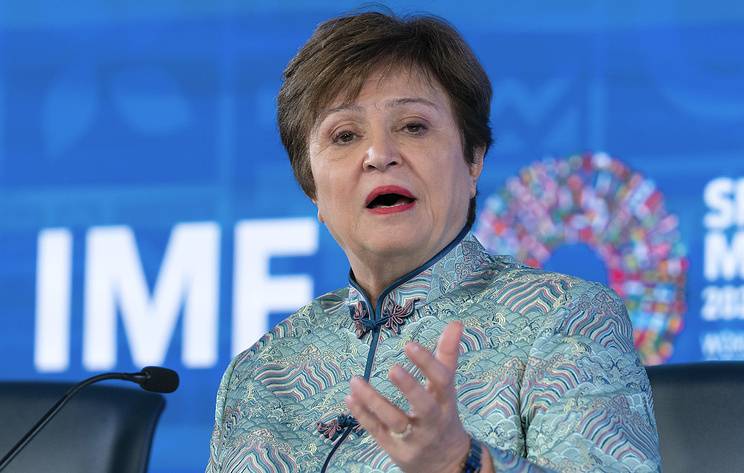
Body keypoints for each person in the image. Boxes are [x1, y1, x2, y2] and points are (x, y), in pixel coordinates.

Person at [206, 11, 661, 473]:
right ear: (313, 191)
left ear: (473, 160)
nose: (379, 155)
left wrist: (460, 462)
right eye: (344, 135)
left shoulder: (567, 318)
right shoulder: (260, 374)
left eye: (413, 126)